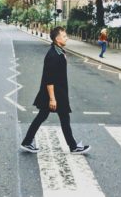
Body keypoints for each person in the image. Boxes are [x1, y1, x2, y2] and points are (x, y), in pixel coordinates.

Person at [20, 26, 91, 155]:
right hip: (55, 94)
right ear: (57, 39)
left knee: (43, 116)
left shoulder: (58, 51)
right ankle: (73, 147)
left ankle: (26, 141)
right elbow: (49, 79)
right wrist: (52, 98)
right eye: (64, 36)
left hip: (57, 92)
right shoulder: (53, 55)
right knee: (64, 118)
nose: (67, 38)